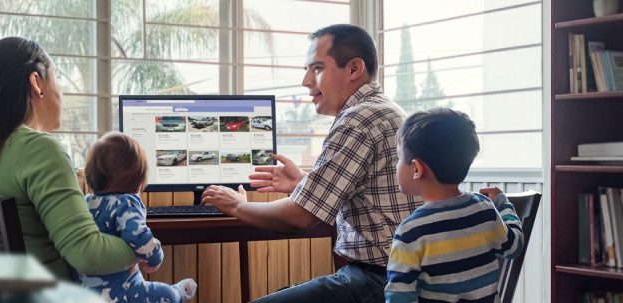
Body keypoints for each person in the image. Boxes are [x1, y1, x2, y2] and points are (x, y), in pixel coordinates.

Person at [200, 24, 421, 302]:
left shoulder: (359, 119)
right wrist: (304, 183)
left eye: (317, 68)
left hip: (382, 279)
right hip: (398, 273)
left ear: (354, 69)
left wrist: (236, 205)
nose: (306, 81)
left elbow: (301, 217)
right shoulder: (383, 109)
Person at [0, 37, 137, 280]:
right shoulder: (40, 150)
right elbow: (87, 254)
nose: (60, 92)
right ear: (36, 82)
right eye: (56, 79)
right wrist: (142, 248)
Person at [383, 108, 525, 303]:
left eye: (399, 158)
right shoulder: (485, 209)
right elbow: (515, 246)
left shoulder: (410, 233)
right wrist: (502, 202)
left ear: (416, 168)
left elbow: (399, 297)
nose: (396, 165)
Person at [74, 132, 198, 302]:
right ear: (139, 181)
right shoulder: (126, 203)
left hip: (84, 291)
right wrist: (156, 257)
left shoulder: (86, 202)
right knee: (165, 294)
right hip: (122, 292)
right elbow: (137, 235)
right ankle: (178, 292)